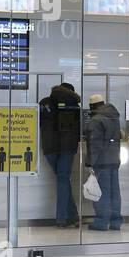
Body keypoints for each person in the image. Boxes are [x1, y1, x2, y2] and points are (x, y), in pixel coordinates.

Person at [39, 81, 82, 227]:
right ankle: (62, 219)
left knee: (62, 180)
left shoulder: (44, 102)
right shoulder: (74, 104)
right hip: (67, 147)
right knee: (63, 180)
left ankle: (73, 216)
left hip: (49, 147)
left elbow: (37, 123)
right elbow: (80, 127)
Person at [83, 93, 123, 231]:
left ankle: (101, 222)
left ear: (91, 106)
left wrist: (90, 162)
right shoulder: (114, 117)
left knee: (102, 193)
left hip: (101, 162)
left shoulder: (96, 120)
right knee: (114, 192)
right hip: (114, 160)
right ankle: (115, 221)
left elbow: (94, 144)